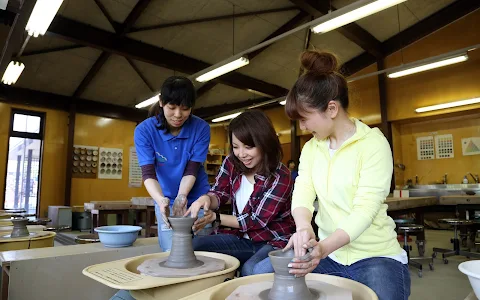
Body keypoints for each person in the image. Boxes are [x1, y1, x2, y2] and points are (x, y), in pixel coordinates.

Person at [283, 50, 410, 300]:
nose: (303, 127)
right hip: (330, 256)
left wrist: (322, 248)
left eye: (305, 119)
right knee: (272, 277)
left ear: (331, 109)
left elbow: (365, 209)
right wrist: (303, 226)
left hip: (376, 256)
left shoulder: (373, 144)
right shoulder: (312, 148)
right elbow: (303, 190)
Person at [186, 110, 295, 276]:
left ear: (265, 143)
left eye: (249, 147)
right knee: (193, 246)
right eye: (236, 147)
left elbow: (256, 220)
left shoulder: (281, 176)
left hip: (273, 240)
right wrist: (207, 199)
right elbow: (219, 193)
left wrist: (216, 217)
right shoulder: (231, 162)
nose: (242, 154)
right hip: (241, 237)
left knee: (251, 270)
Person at [134, 75, 211, 252]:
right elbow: (148, 174)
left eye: (185, 109)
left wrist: (182, 196)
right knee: (171, 252)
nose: (178, 115)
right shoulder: (144, 131)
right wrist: (162, 201)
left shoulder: (201, 128)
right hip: (164, 199)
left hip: (198, 198)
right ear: (161, 102)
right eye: (172, 107)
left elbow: (192, 169)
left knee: (203, 252)